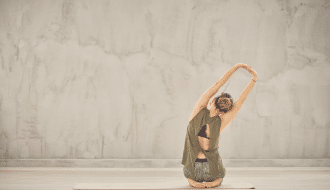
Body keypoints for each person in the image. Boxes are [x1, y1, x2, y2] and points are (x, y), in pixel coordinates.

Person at [181, 63, 258, 188]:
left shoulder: (199, 109)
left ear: (213, 100)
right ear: (224, 112)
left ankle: (193, 181)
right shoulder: (221, 121)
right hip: (213, 172)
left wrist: (236, 67)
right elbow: (240, 101)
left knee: (192, 170)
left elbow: (218, 85)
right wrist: (254, 78)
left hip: (192, 171)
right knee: (219, 173)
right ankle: (215, 182)